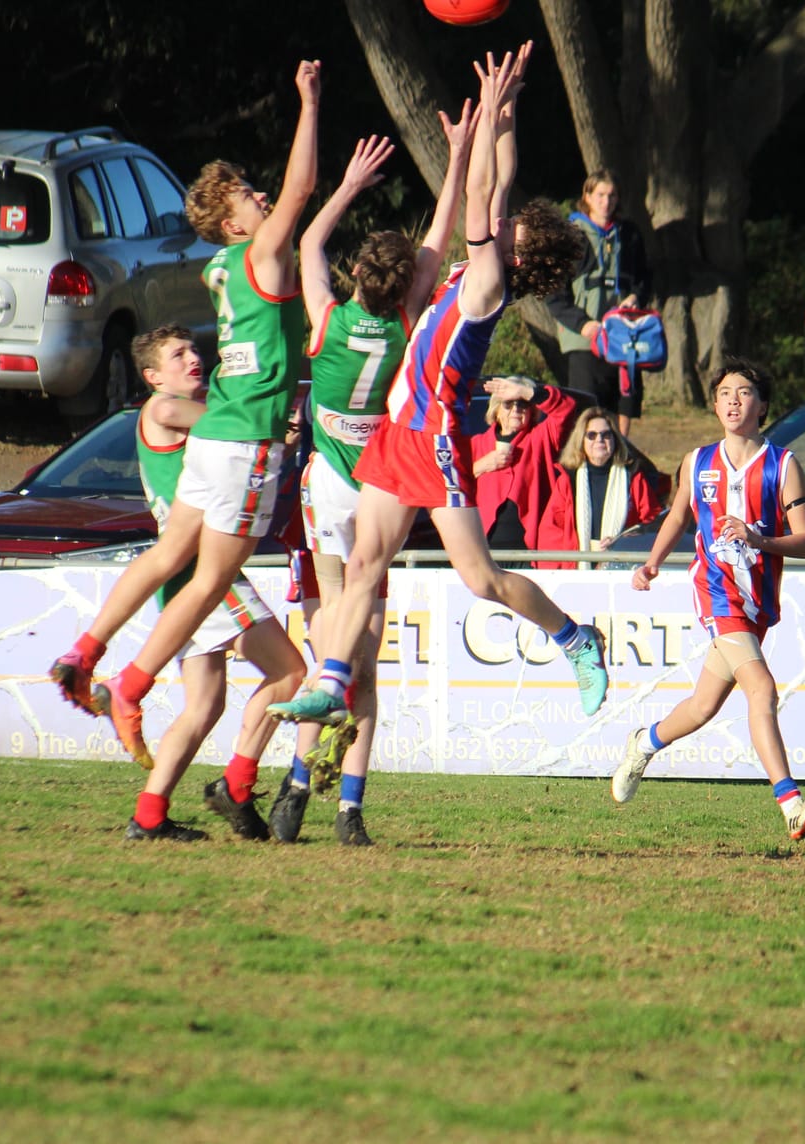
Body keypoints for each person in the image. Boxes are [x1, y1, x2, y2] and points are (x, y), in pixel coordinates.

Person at [268, 43, 609, 732]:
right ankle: (331, 682)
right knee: (364, 562)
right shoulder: (482, 263)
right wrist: (503, 113)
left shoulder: (488, 278)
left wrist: (488, 116)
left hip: (435, 438)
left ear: (517, 251)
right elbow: (498, 185)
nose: (501, 220)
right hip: (398, 435)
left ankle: (575, 637)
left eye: (510, 229)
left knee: (480, 579)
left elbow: (482, 196)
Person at [47, 59, 321, 769]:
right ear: (232, 222)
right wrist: (309, 103)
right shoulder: (259, 254)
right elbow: (301, 190)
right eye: (248, 195)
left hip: (218, 433)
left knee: (172, 556)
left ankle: (87, 651)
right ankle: (131, 685)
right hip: (246, 437)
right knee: (208, 582)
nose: (263, 197)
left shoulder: (219, 267)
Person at [271, 113, 476, 847]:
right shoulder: (407, 323)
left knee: (331, 647)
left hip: (327, 490)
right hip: (381, 489)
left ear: (358, 275)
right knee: (363, 662)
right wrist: (457, 157)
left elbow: (308, 244)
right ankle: (348, 807)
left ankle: (297, 785)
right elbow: (439, 241)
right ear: (404, 286)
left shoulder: (326, 320)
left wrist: (351, 184)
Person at [609, 356, 805, 841]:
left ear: (762, 406)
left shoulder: (783, 465)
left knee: (703, 705)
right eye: (725, 393)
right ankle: (791, 803)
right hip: (716, 593)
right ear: (714, 405)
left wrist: (758, 538)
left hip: (756, 604)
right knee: (762, 690)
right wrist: (652, 562)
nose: (733, 401)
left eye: (744, 393)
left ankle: (643, 744)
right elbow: (678, 515)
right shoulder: (698, 461)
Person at [117, 326, 308, 842]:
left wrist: (273, 440)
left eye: (193, 350)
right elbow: (230, 424)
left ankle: (149, 816)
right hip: (206, 574)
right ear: (153, 376)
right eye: (177, 355)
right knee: (290, 672)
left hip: (185, 577)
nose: (192, 359)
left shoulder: (194, 415)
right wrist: (268, 417)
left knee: (203, 706)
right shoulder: (163, 408)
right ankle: (237, 784)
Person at [544, 169, 653, 434]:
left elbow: (644, 278)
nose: (607, 202)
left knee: (625, 402)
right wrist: (582, 324)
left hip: (624, 335)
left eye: (612, 195)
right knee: (587, 407)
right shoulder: (570, 234)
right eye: (601, 195)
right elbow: (554, 293)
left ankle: (621, 450)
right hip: (585, 338)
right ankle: (585, 455)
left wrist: (636, 297)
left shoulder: (629, 234)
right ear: (588, 196)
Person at [469, 374, 581, 556]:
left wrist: (525, 391)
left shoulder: (541, 437)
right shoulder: (476, 444)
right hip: (484, 549)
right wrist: (480, 466)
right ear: (496, 410)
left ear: (531, 410)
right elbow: (448, 486)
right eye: (508, 403)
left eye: (522, 404)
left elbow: (566, 409)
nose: (516, 409)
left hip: (531, 550)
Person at [554, 407, 664, 561]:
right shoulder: (567, 480)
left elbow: (651, 522)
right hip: (576, 564)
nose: (599, 440)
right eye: (591, 435)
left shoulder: (633, 477)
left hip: (621, 562)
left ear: (615, 440)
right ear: (581, 440)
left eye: (606, 435)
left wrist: (623, 540)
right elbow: (553, 528)